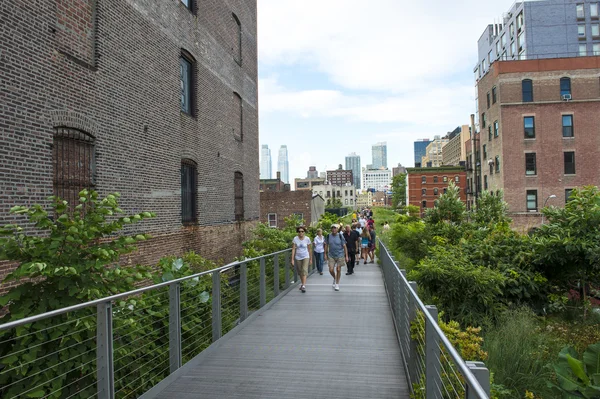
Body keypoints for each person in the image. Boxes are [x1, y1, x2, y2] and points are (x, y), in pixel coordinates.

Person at [324, 224, 348, 291]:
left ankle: (337, 284)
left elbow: (344, 246)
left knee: (338, 269)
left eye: (335, 228)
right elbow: (326, 245)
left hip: (340, 254)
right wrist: (325, 254)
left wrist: (346, 256)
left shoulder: (340, 236)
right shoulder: (328, 236)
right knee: (331, 270)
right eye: (332, 228)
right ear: (331, 229)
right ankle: (335, 278)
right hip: (331, 255)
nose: (334, 229)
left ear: (337, 229)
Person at [291, 226, 312, 293]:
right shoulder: (295, 239)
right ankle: (302, 284)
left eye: (302, 231)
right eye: (299, 231)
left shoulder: (307, 239)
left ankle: (303, 286)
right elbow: (293, 249)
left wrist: (311, 259)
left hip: (306, 256)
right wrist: (292, 259)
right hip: (298, 257)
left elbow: (309, 249)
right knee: (300, 272)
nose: (301, 233)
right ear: (298, 232)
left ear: (304, 232)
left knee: (304, 270)